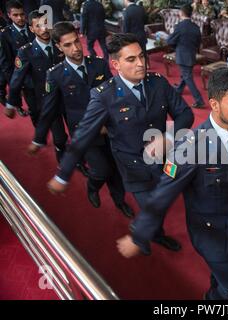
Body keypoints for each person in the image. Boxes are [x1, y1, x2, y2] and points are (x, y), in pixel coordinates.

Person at [116, 68, 228, 300]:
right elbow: (162, 194)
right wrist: (139, 235)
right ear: (215, 104)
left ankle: (213, 294)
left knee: (221, 281)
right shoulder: (191, 148)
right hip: (211, 236)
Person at [45, 33, 194, 252]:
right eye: (131, 59)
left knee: (161, 203)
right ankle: (150, 236)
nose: (141, 63)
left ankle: (150, 233)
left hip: (164, 161)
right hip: (133, 165)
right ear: (116, 64)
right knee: (150, 207)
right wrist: (62, 174)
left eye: (141, 56)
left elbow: (185, 115)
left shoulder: (158, 83)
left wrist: (169, 137)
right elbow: (83, 135)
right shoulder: (103, 95)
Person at [27, 22, 131, 217]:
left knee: (116, 169)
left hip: (109, 129)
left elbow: (114, 95)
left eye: (76, 42)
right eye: (67, 45)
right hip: (84, 134)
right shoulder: (55, 75)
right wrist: (38, 138)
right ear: (58, 47)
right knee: (101, 170)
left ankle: (120, 201)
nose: (75, 49)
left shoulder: (98, 63)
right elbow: (49, 111)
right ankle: (93, 186)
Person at [4, 11, 68, 163]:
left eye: (46, 25)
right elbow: (17, 78)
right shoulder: (26, 51)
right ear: (31, 29)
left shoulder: (61, 45)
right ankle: (62, 160)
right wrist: (11, 103)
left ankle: (78, 161)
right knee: (59, 137)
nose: (44, 29)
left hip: (68, 97)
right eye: (38, 26)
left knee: (77, 131)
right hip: (47, 100)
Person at [0, 0, 35, 116]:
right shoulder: (5, 35)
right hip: (23, 79)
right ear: (9, 15)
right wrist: (14, 84)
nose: (20, 18)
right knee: (35, 112)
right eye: (15, 15)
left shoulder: (33, 28)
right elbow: (6, 63)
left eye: (22, 14)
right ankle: (18, 105)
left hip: (40, 75)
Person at [167, 4, 205, 109]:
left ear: (181, 13)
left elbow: (170, 41)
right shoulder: (196, 27)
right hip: (192, 55)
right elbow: (198, 42)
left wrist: (175, 45)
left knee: (188, 77)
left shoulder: (179, 26)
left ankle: (199, 100)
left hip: (182, 56)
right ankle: (179, 89)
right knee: (186, 74)